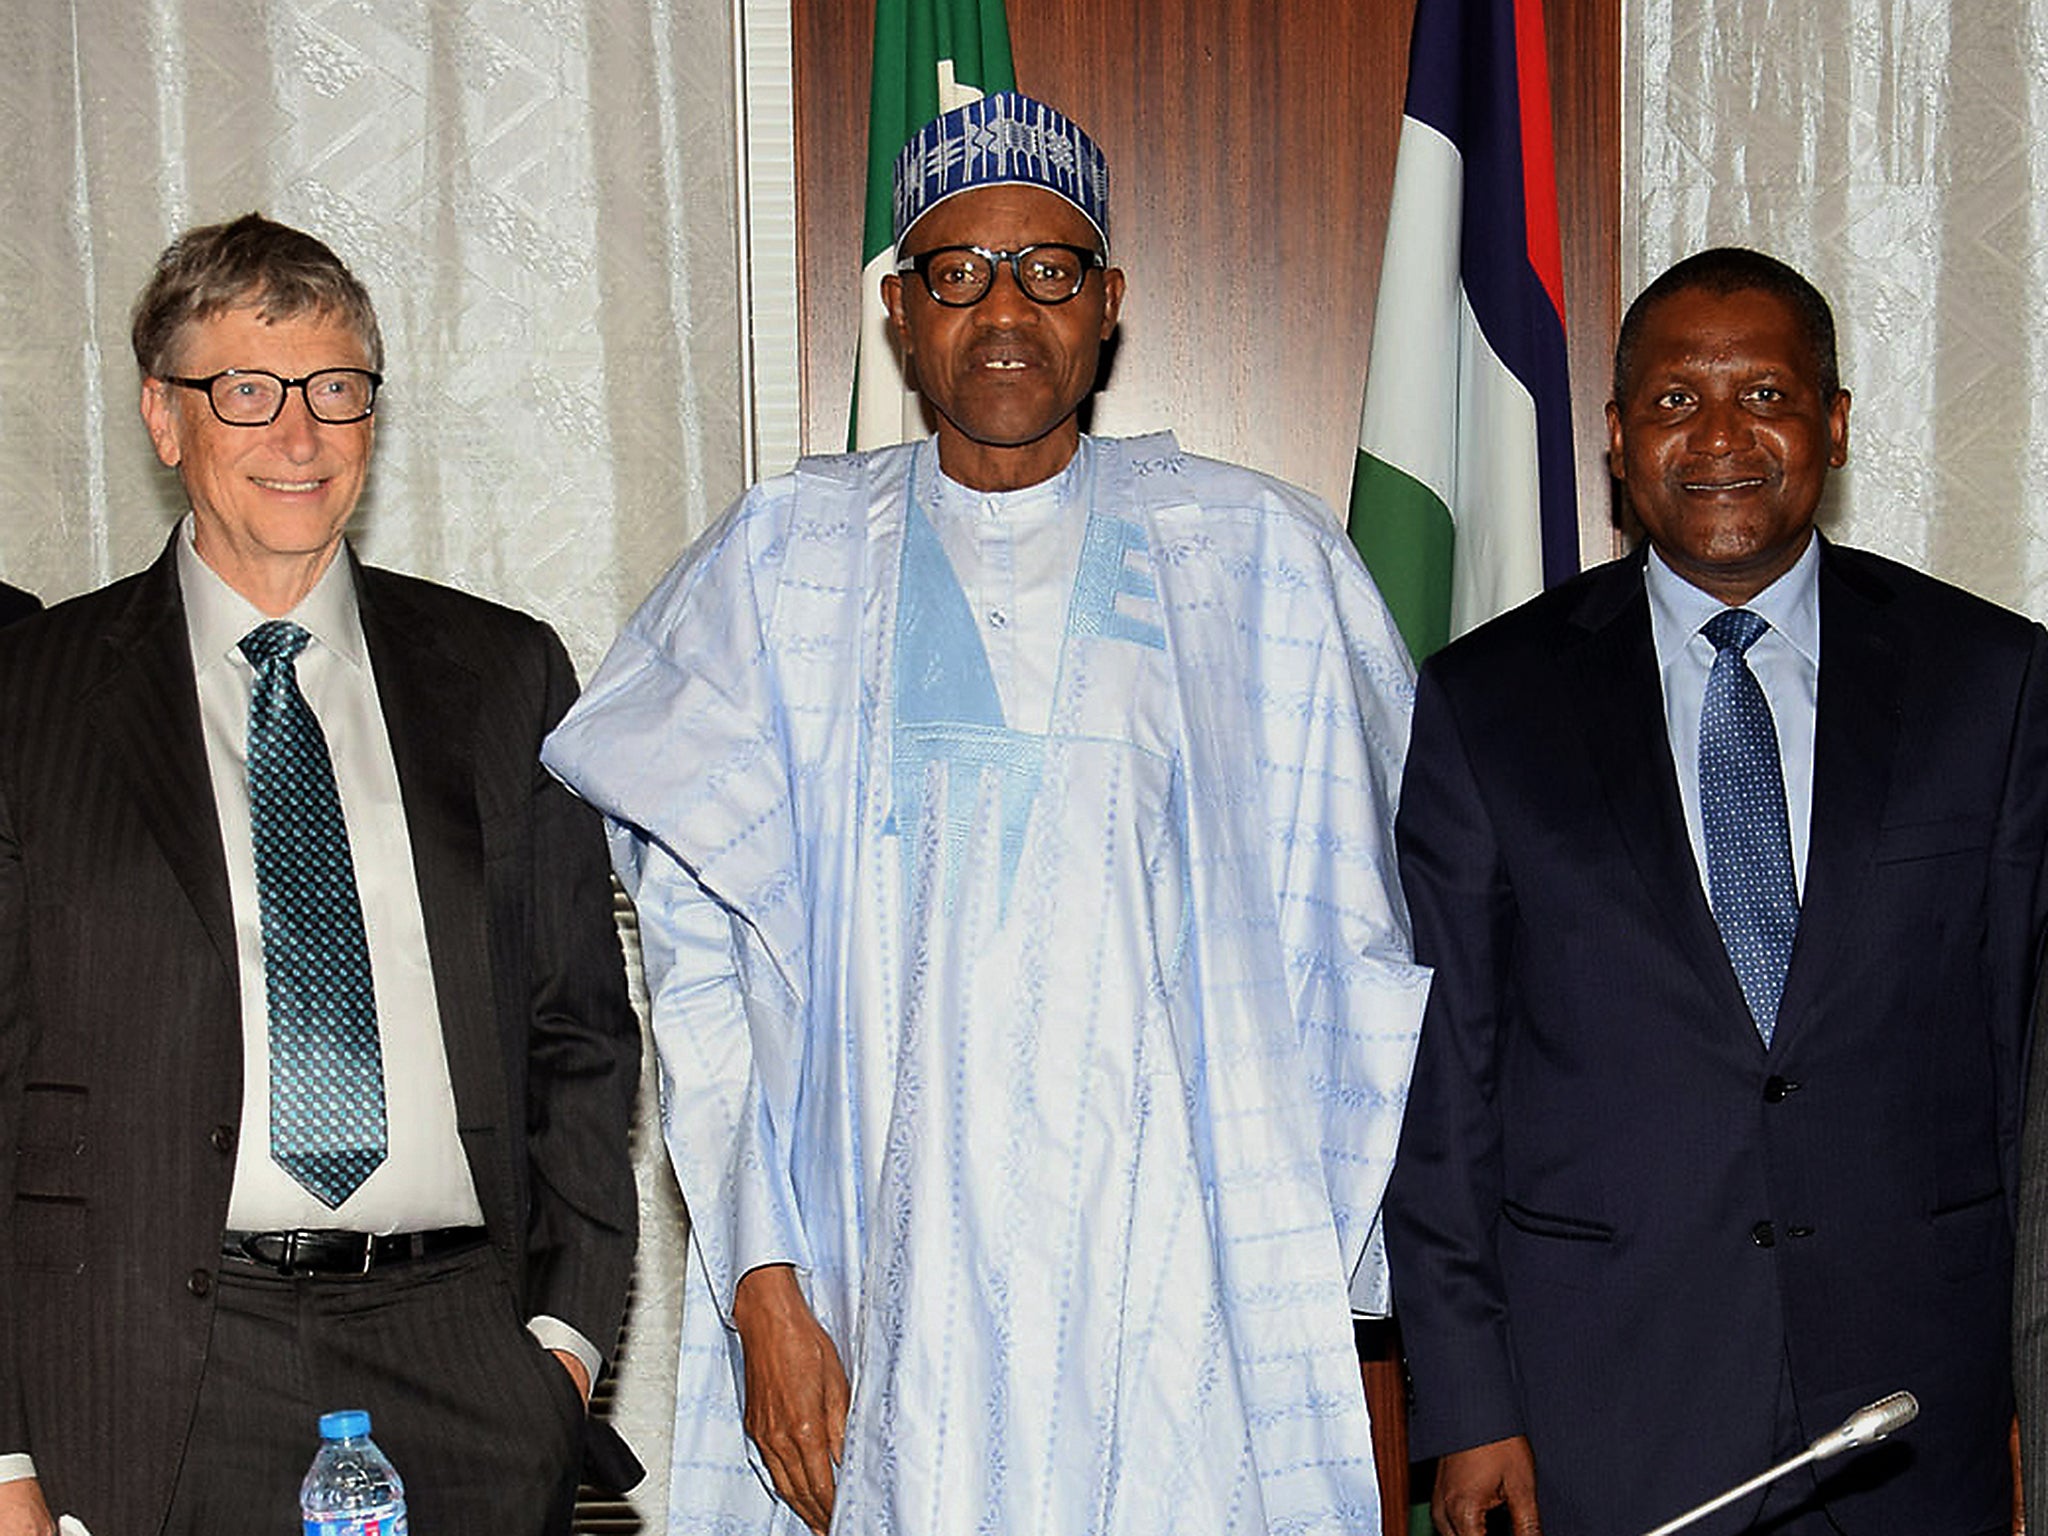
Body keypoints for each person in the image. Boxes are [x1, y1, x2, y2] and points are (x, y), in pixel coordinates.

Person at [544, 91, 1429, 1536]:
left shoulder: (1256, 558)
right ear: (901, 311)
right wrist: (764, 1285)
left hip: (1177, 1306)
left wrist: (1294, 1271)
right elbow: (702, 977)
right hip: (873, 1294)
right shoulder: (779, 567)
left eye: (1048, 270)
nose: (1005, 309)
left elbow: (1363, 945)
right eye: (959, 272)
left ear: (1108, 305)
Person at [1385, 246, 2048, 1536]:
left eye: (1767, 394)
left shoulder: (1994, 683)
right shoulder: (1489, 703)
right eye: (1678, 399)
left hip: (1923, 1407)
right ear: (1618, 438)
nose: (1723, 436)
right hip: (1605, 1409)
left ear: (1834, 425)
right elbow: (1443, 1085)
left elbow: (2030, 1075)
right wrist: (1465, 1400)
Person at [0, 214, 641, 1536]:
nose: (299, 435)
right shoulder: (30, 693)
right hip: (154, 1382)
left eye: (336, 388)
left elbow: (579, 1032)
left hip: (463, 1366)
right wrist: (3, 1454)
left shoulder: (502, 674)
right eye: (247, 390)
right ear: (165, 419)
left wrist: (562, 1346)